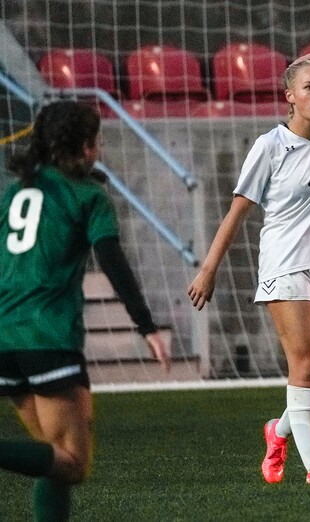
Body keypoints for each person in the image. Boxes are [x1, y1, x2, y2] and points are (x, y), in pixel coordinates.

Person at [187, 52, 310, 485]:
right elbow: (237, 211)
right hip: (286, 265)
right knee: (306, 365)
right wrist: (209, 268)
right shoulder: (270, 146)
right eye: (309, 88)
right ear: (289, 97)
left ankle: (276, 432)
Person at [0, 100, 171, 519]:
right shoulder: (88, 195)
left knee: (52, 459)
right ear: (84, 146)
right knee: (73, 463)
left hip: (5, 336)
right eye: (97, 139)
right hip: (48, 335)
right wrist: (145, 325)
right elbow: (112, 260)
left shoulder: (14, 191)